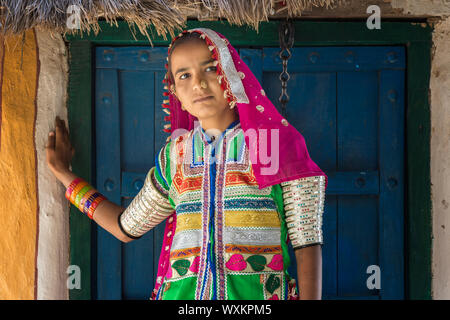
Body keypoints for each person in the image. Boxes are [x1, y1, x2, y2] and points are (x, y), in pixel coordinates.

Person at [46, 28, 327, 300]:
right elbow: (125, 227)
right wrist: (64, 175)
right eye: (184, 75)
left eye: (210, 68)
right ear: (175, 91)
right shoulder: (175, 157)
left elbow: (307, 244)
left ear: (232, 74)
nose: (198, 84)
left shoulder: (277, 145)